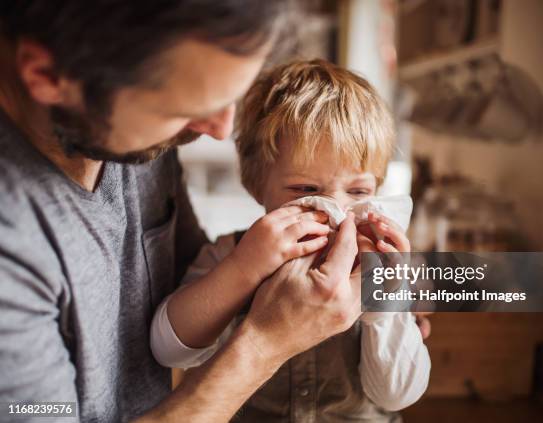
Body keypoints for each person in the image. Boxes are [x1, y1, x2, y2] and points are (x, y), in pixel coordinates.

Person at [0, 2, 370, 421]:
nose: (221, 130)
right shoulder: (12, 242)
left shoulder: (134, 135)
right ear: (49, 77)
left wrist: (393, 299)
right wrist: (267, 342)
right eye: (183, 109)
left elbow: (193, 287)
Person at [150, 60, 431, 422]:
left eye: (358, 191)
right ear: (257, 184)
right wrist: (243, 268)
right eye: (306, 190)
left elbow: (396, 396)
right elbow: (169, 351)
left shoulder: (384, 266)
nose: (338, 211)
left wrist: (384, 305)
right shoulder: (231, 254)